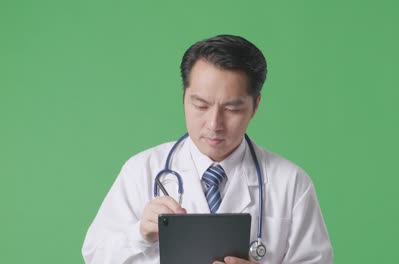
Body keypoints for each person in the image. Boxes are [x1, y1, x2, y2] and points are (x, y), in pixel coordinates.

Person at [82, 34, 333, 263]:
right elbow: (95, 255)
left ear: (255, 105)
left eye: (232, 109)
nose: (214, 124)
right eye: (201, 106)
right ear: (184, 97)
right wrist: (139, 233)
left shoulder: (291, 183)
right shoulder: (141, 171)